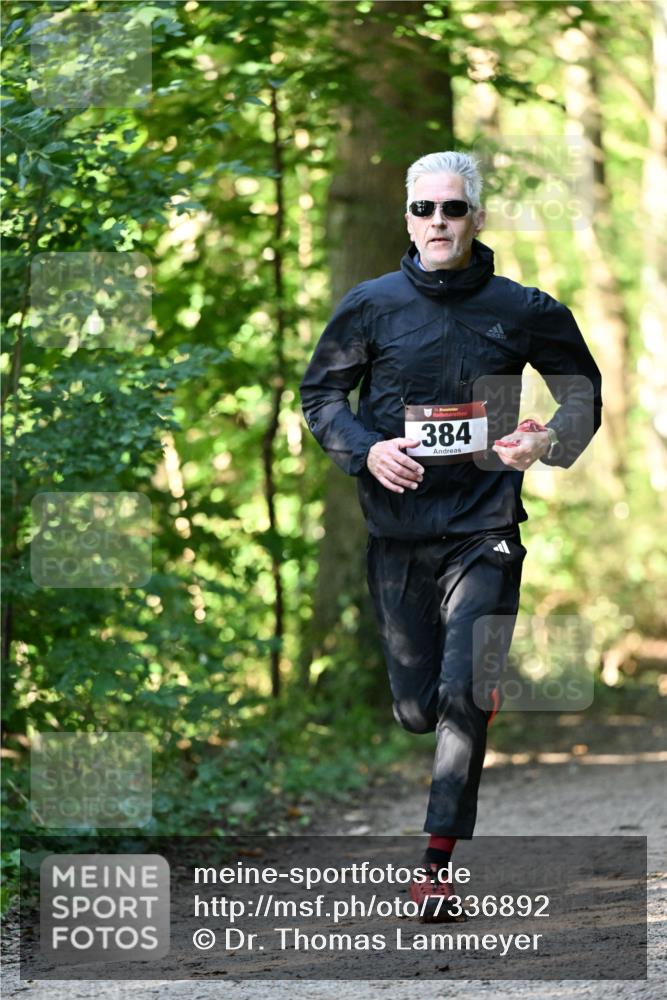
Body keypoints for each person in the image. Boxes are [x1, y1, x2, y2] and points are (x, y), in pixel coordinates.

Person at [299, 150, 602, 921]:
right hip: (398, 532)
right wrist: (366, 449)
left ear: (476, 216)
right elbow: (321, 394)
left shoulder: (522, 307)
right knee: (416, 707)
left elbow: (580, 391)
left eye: (453, 208)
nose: (439, 222)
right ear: (407, 218)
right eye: (425, 209)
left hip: (486, 526)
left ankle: (434, 866)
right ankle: (450, 707)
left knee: (466, 687)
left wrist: (546, 441)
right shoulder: (370, 305)